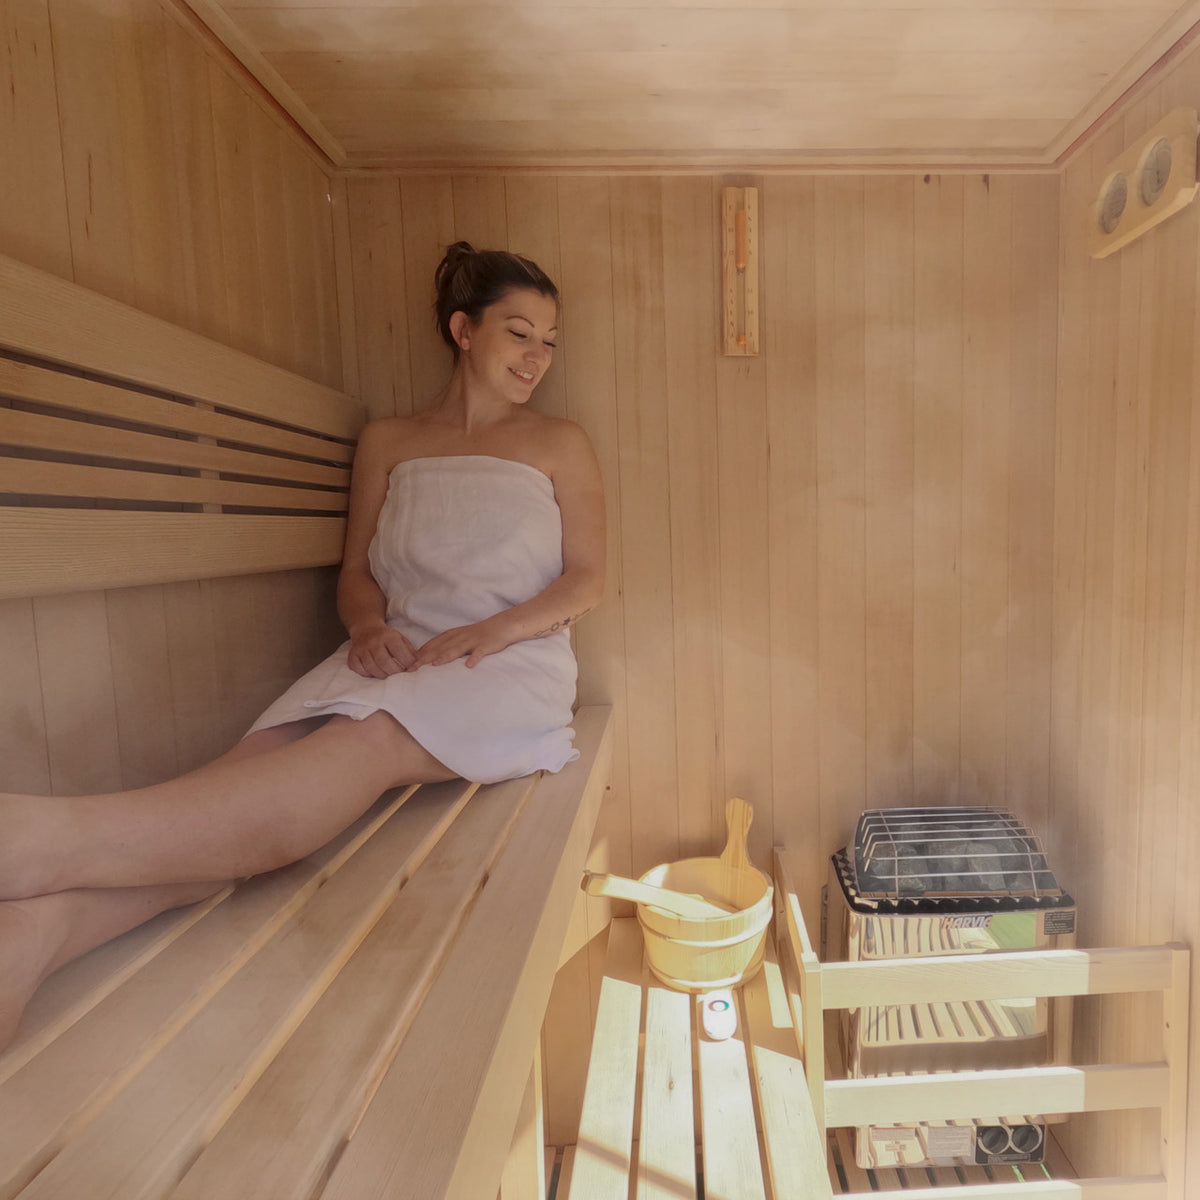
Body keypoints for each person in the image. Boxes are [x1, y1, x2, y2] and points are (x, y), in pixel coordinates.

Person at [0, 243, 606, 1052]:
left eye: (549, 342)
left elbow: (588, 580)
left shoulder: (560, 442)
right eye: (519, 334)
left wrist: (492, 630)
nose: (537, 358)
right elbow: (356, 573)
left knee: (367, 740)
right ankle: (42, 931)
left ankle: (34, 842)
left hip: (508, 664)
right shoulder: (390, 440)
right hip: (397, 651)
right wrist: (367, 629)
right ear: (464, 330)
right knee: (250, 770)